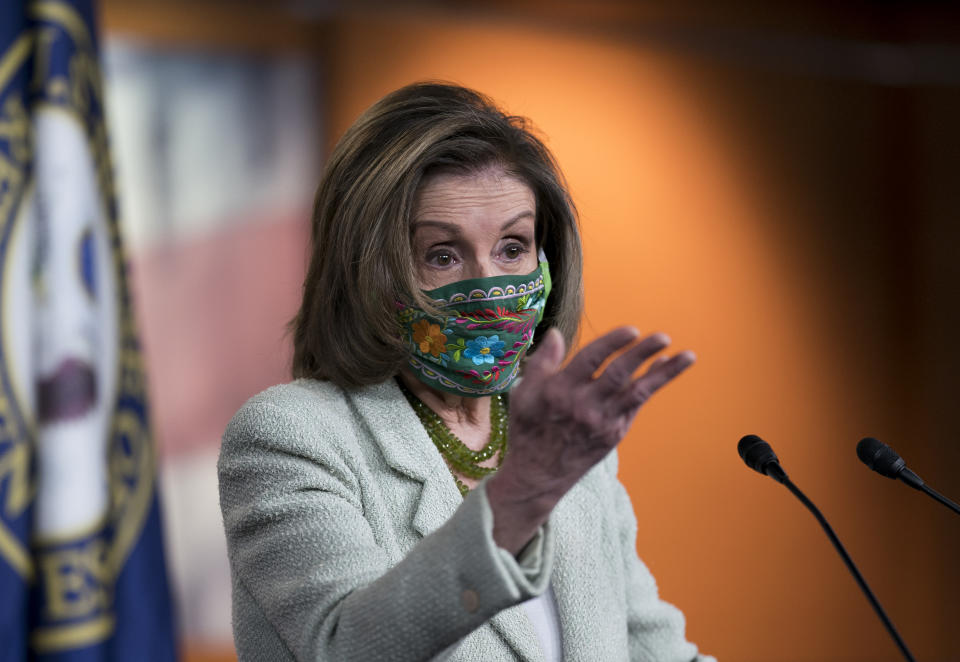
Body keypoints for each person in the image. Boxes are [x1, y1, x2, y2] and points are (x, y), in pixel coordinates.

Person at [218, 82, 715, 662]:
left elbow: (654, 649)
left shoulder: (567, 443)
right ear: (367, 273)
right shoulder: (290, 437)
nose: (488, 289)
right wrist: (521, 494)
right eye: (442, 255)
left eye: (512, 247)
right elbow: (345, 647)